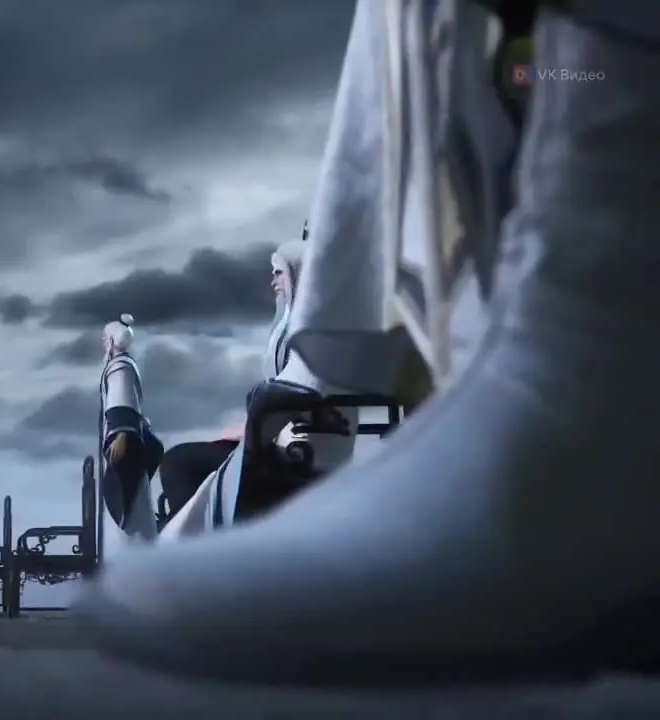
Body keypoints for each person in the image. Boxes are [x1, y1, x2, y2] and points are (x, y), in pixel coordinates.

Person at [76, 0, 660, 685]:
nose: (275, 282)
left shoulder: (295, 312)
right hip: (303, 414)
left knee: (193, 462)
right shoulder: (285, 320)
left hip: (312, 420)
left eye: (280, 275)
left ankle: (587, 383)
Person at [157, 229, 356, 521]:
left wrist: (247, 429)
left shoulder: (313, 330)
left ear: (300, 274)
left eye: (279, 272)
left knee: (180, 461)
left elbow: (300, 390)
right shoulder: (318, 324)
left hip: (299, 451)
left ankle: (201, 542)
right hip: (290, 438)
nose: (273, 280)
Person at [99, 314, 164, 549]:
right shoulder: (126, 364)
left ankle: (136, 548)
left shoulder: (119, 367)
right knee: (137, 500)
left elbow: (122, 400)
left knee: (131, 502)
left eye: (105, 339)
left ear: (112, 341)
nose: (103, 343)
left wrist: (122, 434)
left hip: (127, 440)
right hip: (133, 440)